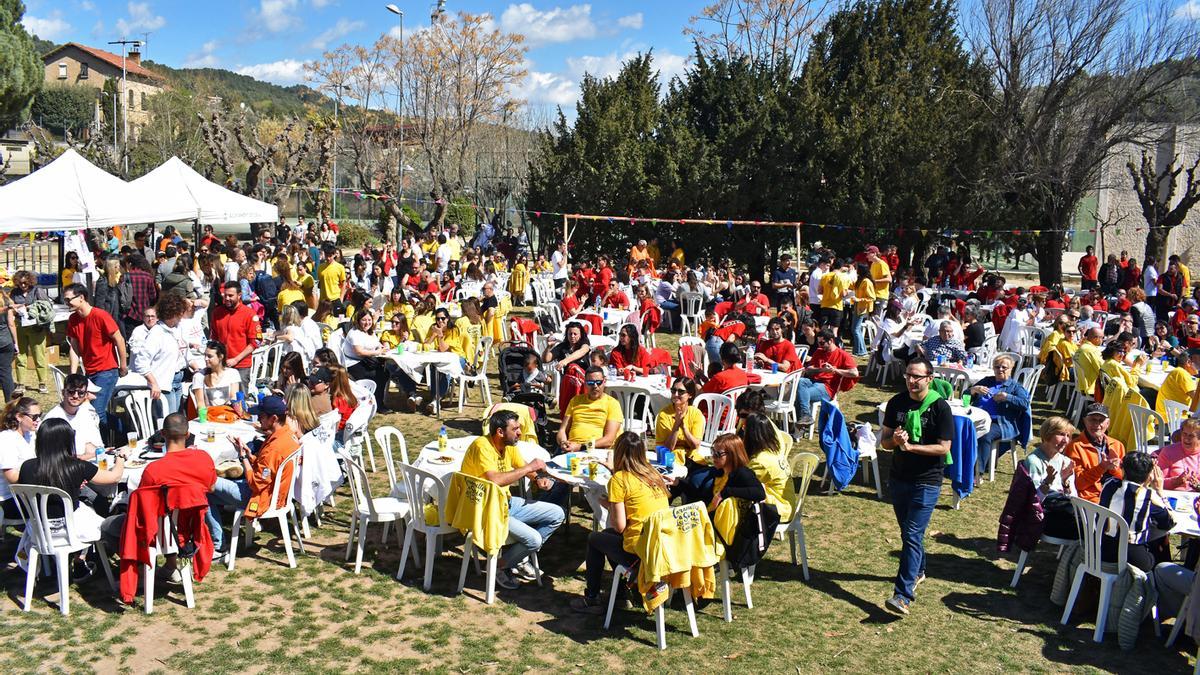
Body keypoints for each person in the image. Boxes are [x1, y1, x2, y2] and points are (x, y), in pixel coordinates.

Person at [880, 356, 954, 616]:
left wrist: (911, 447)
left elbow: (944, 448)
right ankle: (919, 569)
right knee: (908, 533)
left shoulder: (941, 408)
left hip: (927, 481)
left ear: (929, 379)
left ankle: (902, 596)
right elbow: (884, 442)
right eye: (908, 375)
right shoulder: (896, 403)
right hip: (899, 477)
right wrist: (896, 441)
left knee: (912, 535)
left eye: (917, 377)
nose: (911, 381)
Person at [461, 410, 565, 589]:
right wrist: (530, 468)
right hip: (486, 512)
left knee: (557, 514)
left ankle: (518, 558)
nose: (519, 432)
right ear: (500, 432)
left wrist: (537, 478)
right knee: (534, 540)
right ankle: (501, 565)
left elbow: (522, 466)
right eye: (515, 429)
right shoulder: (482, 446)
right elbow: (495, 480)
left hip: (505, 504)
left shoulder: (509, 445)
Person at [571, 431, 672, 613]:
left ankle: (592, 598)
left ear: (617, 452)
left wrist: (609, 505)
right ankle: (621, 593)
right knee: (607, 538)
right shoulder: (653, 474)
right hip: (662, 547)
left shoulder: (619, 480)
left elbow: (620, 526)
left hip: (640, 551)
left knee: (595, 539)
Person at [18, 418, 126, 579]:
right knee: (99, 516)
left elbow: (47, 483)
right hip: (71, 530)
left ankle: (73, 562)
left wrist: (73, 487)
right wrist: (121, 458)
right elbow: (114, 477)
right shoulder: (76, 466)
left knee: (84, 507)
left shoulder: (26, 467)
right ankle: (81, 559)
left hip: (39, 530)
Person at [205, 395, 300, 560]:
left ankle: (219, 547)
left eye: (262, 416)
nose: (259, 419)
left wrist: (243, 460)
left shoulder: (275, 447)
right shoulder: (288, 435)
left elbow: (256, 483)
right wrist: (249, 455)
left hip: (261, 498)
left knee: (205, 486)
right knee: (212, 488)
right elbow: (270, 467)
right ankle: (217, 543)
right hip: (276, 493)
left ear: (274, 418)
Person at [63, 283, 128, 432]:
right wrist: (73, 373)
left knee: (95, 412)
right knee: (89, 410)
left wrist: (123, 365)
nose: (66, 303)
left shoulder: (101, 315)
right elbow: (74, 347)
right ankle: (122, 431)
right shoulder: (73, 319)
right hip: (90, 372)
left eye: (68, 299)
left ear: (81, 298)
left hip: (107, 370)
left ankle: (118, 437)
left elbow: (119, 340)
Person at [1098, 452, 1173, 572]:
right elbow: (1169, 523)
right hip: (1130, 557)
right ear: (1150, 475)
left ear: (1122, 469)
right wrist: (1160, 491)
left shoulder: (1108, 484)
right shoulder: (1149, 496)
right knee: (1160, 543)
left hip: (1101, 548)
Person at [968, 354, 1031, 474]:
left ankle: (976, 472)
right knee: (959, 428)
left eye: (1004, 367)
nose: (1000, 370)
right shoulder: (987, 381)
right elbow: (964, 396)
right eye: (997, 367)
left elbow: (1024, 404)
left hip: (1000, 423)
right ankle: (957, 465)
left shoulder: (1015, 387)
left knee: (985, 434)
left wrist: (1007, 397)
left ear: (1011, 369)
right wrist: (973, 390)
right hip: (977, 418)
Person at [130, 293, 188, 417]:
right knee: (170, 421)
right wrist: (154, 383)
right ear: (172, 314)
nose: (181, 317)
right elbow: (141, 362)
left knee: (178, 419)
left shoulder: (176, 329)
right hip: (164, 385)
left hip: (178, 380)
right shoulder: (156, 334)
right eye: (180, 314)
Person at [1024, 416, 1079, 540]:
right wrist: (1047, 482)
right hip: (1042, 517)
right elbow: (1034, 501)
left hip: (1065, 513)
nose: (1065, 440)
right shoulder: (1034, 461)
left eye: (1068, 436)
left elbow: (1074, 499)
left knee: (1091, 523)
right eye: (1061, 434)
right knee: (1088, 527)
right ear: (1048, 434)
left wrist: (1065, 482)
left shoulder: (1066, 462)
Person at [793, 329, 859, 428]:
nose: (820, 345)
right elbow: (809, 370)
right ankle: (805, 418)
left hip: (827, 388)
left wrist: (835, 370)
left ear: (831, 341)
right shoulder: (819, 351)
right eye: (818, 342)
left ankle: (802, 422)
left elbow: (854, 373)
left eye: (822, 343)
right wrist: (821, 370)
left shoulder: (842, 354)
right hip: (813, 381)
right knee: (801, 381)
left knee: (800, 394)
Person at [1063, 403, 1127, 503]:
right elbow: (1078, 483)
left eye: (1101, 420)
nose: (1097, 425)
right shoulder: (1075, 447)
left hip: (1117, 497)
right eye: (1092, 420)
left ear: (1108, 423)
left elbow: (1125, 478)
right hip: (1091, 500)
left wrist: (1114, 470)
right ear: (1085, 421)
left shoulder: (1117, 445)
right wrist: (1101, 467)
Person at [557, 366, 623, 452]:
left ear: (604, 382)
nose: (595, 386)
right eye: (591, 382)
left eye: (598, 382)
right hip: (571, 449)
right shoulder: (575, 400)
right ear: (585, 383)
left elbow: (609, 440)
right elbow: (562, 430)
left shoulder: (612, 403)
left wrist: (581, 447)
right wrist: (563, 442)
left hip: (596, 450)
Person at [742, 412, 793, 522]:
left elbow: (742, 484)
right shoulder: (773, 451)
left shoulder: (760, 462)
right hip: (785, 504)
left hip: (778, 509)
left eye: (744, 428)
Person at [211, 281, 260, 392]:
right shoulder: (217, 313)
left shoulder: (249, 314)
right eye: (225, 295)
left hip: (241, 365)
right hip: (222, 364)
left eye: (231, 296)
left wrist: (236, 359)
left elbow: (255, 342)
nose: (227, 298)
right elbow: (214, 338)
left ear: (239, 295)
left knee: (240, 399)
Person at [43, 373, 103, 460]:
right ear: (63, 392)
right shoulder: (53, 418)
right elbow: (55, 457)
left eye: (81, 393)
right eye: (71, 392)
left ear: (86, 395)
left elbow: (92, 446)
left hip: (88, 462)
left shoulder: (86, 413)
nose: (75, 396)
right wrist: (87, 456)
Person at [11, 270, 51, 394]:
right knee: (20, 356)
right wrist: (16, 308)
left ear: (30, 281)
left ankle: (42, 382)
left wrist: (31, 308)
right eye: (21, 283)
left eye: (25, 283)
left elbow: (47, 306)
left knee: (39, 355)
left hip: (36, 328)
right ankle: (21, 383)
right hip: (20, 326)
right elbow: (10, 307)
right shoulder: (14, 293)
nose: (23, 285)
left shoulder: (37, 290)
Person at [0, 397, 40, 519]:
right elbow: (11, 477)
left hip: (26, 492)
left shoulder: (30, 435)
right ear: (19, 417)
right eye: (34, 417)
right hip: (9, 499)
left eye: (40, 415)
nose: (38, 420)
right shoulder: (6, 439)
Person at [707, 433, 766, 515]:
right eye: (713, 451)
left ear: (732, 455)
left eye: (718, 454)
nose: (713, 456)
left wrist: (725, 492)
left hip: (726, 522)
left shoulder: (742, 472)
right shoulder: (721, 471)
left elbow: (760, 493)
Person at [191, 341, 241, 409]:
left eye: (209, 356)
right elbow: (200, 404)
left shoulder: (233, 373)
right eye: (205, 355)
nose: (205, 359)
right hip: (210, 415)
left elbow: (234, 398)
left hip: (229, 413)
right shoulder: (199, 376)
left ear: (220, 357)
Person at [1155, 417, 1200, 491]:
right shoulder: (1168, 451)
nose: (1186, 438)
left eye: (1191, 436)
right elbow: (1157, 481)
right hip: (1174, 496)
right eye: (1184, 434)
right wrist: (1176, 482)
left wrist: (1198, 486)